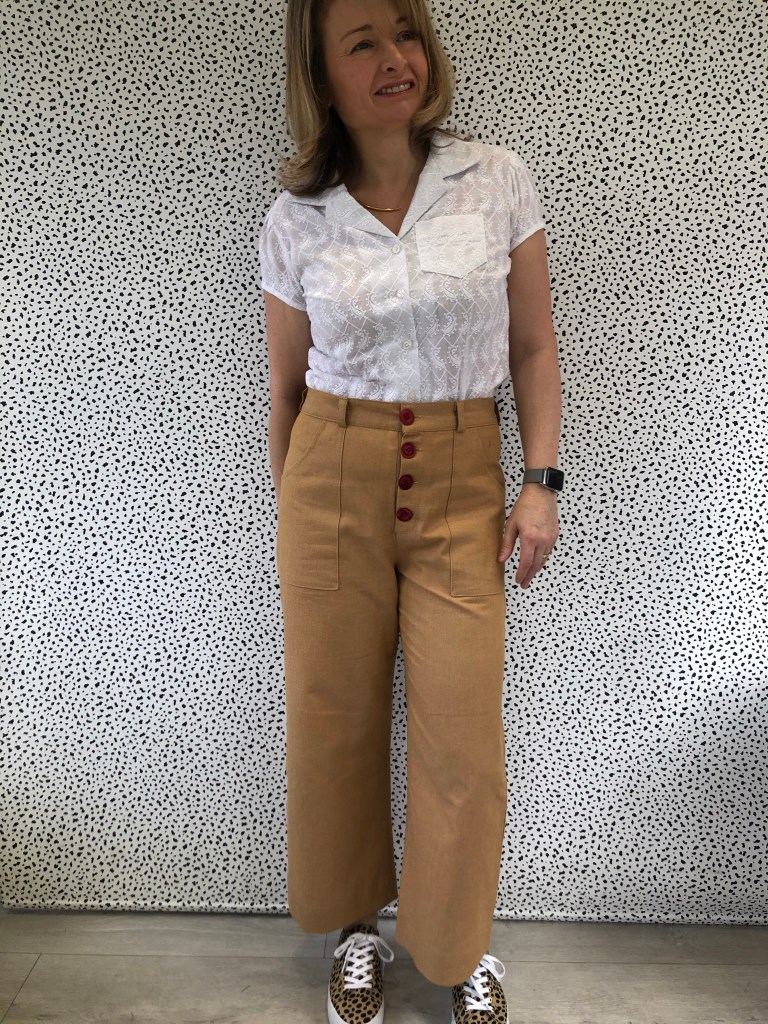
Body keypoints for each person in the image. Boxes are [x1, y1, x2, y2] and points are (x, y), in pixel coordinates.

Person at [258, 0, 562, 1021]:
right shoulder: (296, 218)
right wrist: (296, 512)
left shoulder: (496, 178)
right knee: (333, 721)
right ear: (321, 75)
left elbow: (534, 347)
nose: (397, 57)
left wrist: (540, 482)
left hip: (463, 477)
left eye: (405, 31)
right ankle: (356, 932)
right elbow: (285, 391)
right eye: (363, 43)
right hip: (330, 476)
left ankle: (457, 940)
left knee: (462, 736)